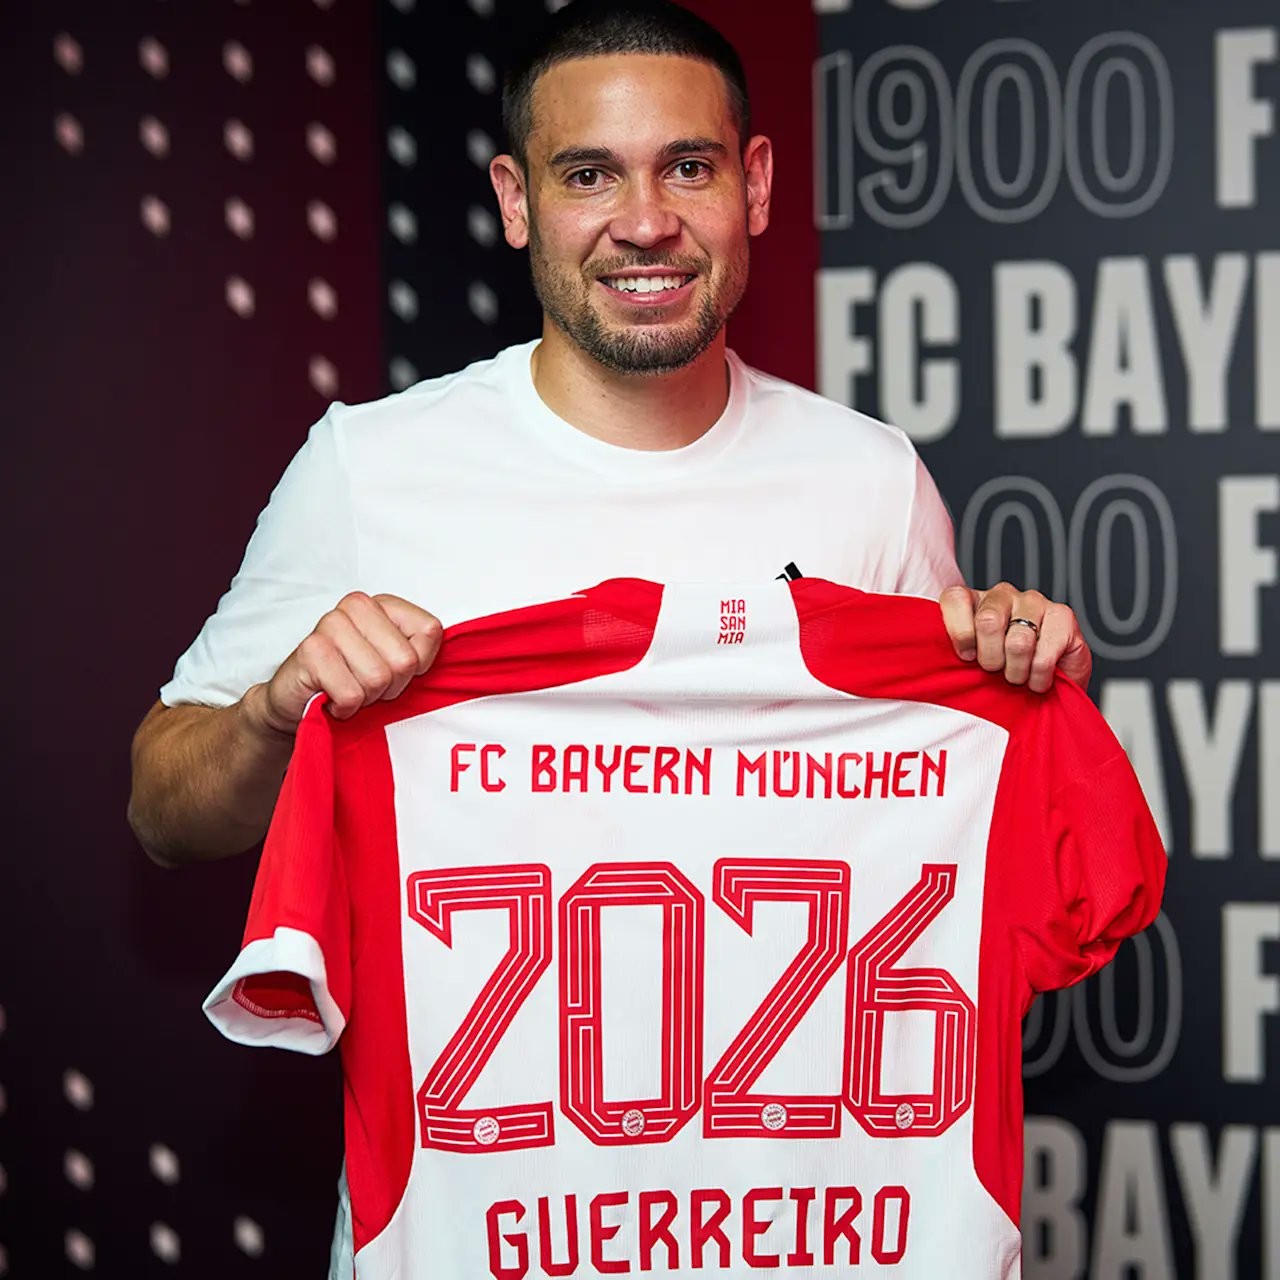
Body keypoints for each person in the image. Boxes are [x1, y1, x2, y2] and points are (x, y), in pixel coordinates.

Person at [128, 0, 1091, 870]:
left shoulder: (870, 475)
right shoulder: (368, 464)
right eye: (589, 175)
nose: (644, 223)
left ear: (754, 186)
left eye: (687, 167)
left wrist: (1028, 688)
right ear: (516, 202)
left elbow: (961, 825)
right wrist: (270, 714)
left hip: (787, 1070)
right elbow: (162, 814)